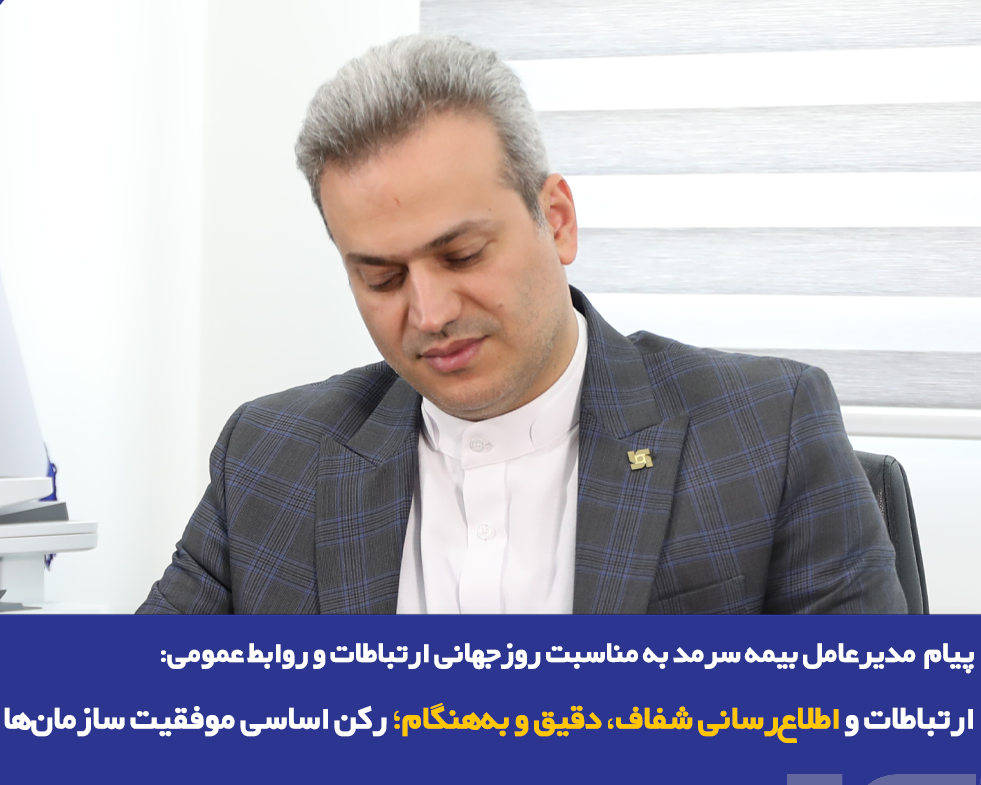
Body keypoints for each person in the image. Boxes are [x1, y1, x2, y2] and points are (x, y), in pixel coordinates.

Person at [138, 35, 905, 615]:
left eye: (462, 254)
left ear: (556, 220)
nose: (430, 313)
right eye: (381, 277)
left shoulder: (766, 431)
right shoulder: (269, 458)